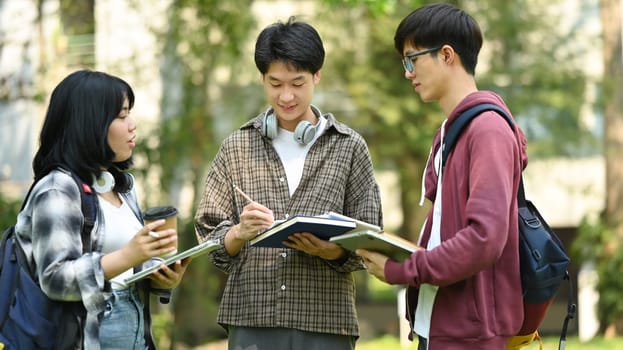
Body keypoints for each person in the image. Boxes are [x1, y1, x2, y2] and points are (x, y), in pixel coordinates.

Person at [194, 16, 383, 350]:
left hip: (326, 321)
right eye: (275, 83)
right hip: (252, 320)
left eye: (297, 83)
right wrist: (238, 233)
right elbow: (211, 238)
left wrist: (332, 251)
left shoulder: (349, 147)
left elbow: (369, 239)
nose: (286, 96)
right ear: (262, 79)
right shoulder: (237, 146)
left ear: (317, 76)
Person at [356, 3, 528, 349]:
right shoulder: (454, 131)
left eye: (412, 59)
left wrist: (401, 270)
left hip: (472, 335)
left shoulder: (487, 130)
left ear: (446, 55)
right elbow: (446, 235)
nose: (408, 73)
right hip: (441, 326)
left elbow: (484, 239)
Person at [14, 69, 191, 349]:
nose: (132, 124)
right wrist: (129, 254)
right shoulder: (58, 189)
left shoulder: (121, 186)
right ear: (91, 123)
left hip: (135, 330)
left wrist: (161, 275)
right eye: (122, 115)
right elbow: (55, 278)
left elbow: (124, 267)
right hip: (84, 336)